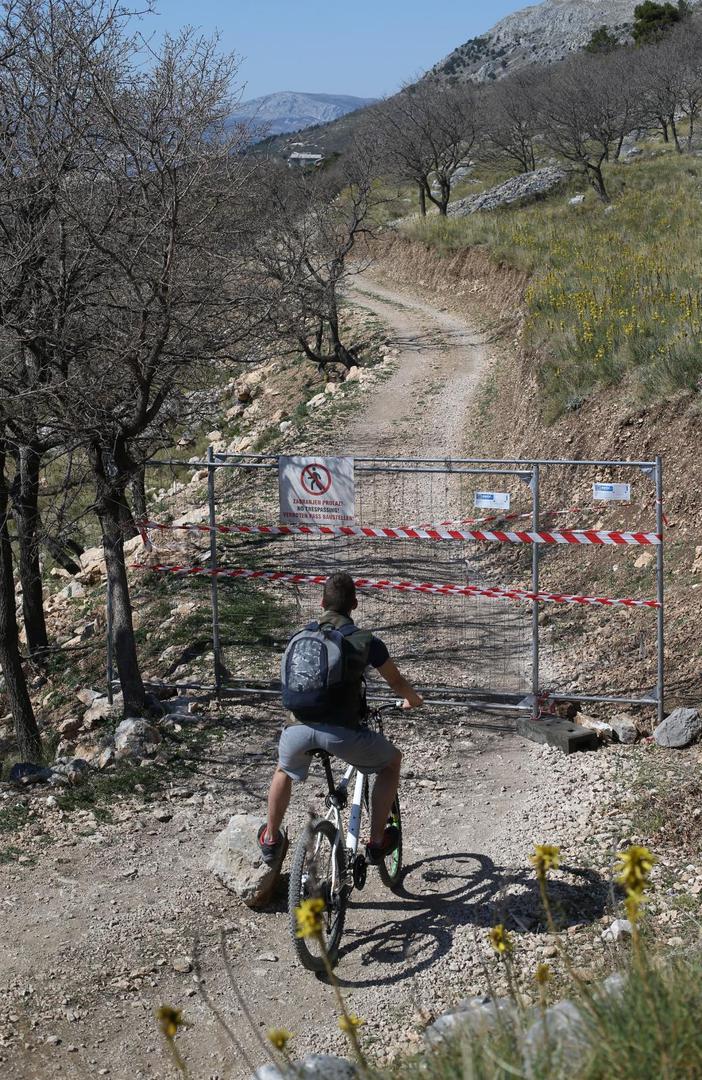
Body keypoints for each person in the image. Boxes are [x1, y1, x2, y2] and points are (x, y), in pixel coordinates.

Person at [259, 571, 423, 866]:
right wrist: (413, 700)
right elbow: (396, 682)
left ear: (322, 602)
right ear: (355, 605)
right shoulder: (365, 641)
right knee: (391, 762)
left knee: (283, 769)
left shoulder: (301, 636)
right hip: (341, 734)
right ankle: (375, 844)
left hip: (296, 728)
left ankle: (270, 839)